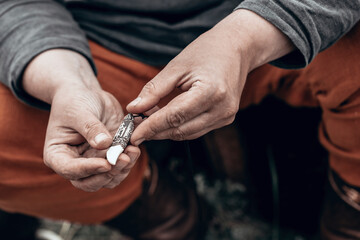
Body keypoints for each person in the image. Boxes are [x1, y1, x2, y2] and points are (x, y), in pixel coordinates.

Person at [0, 0, 359, 239]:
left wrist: (243, 39)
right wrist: (65, 79)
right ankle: (177, 222)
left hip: (279, 29)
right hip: (97, 45)